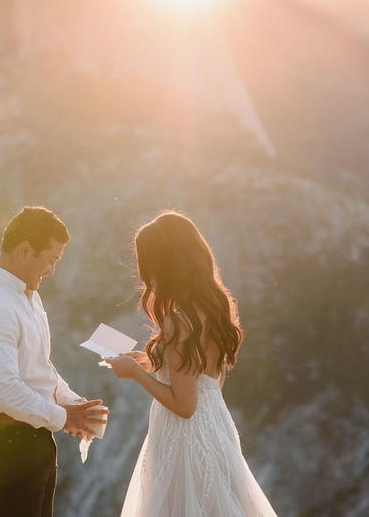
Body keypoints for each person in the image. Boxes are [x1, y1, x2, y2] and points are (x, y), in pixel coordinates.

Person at [105, 211, 276, 517]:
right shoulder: (215, 308)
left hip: (184, 438)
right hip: (215, 426)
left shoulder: (177, 322)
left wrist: (135, 374)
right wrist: (149, 362)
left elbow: (184, 405)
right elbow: (208, 378)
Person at [0, 205, 107, 517]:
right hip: (9, 446)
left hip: (33, 439)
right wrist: (64, 417)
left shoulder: (27, 294)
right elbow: (4, 391)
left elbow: (38, 366)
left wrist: (74, 404)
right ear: (26, 250)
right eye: (51, 259)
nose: (53, 270)